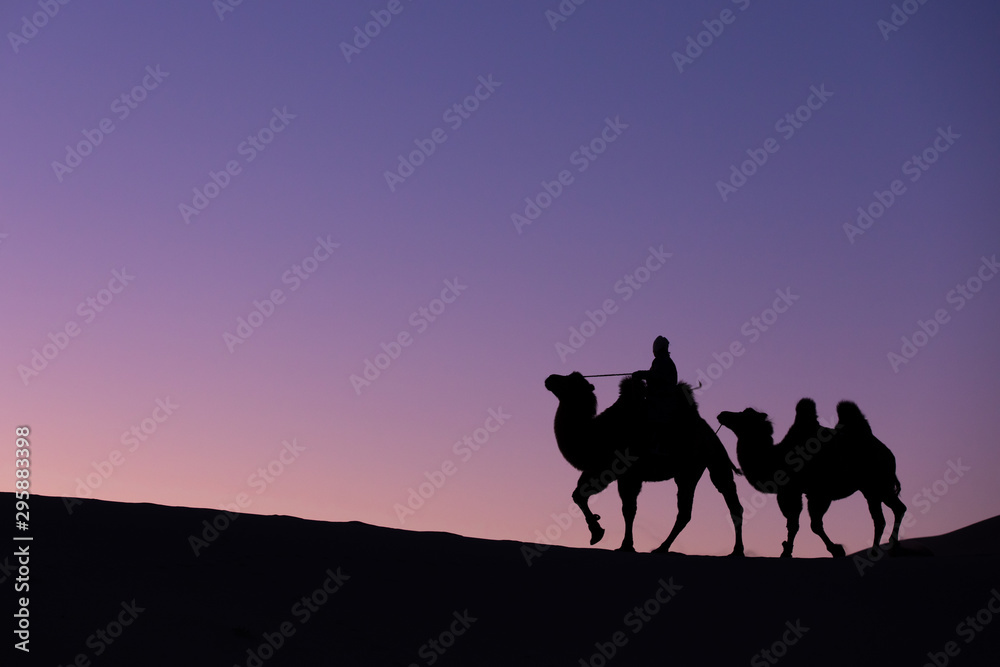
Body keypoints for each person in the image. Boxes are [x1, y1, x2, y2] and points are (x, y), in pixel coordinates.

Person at [633, 336, 678, 424]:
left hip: (660, 399)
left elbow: (655, 376)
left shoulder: (660, 360)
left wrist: (639, 374)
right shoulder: (667, 361)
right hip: (663, 398)